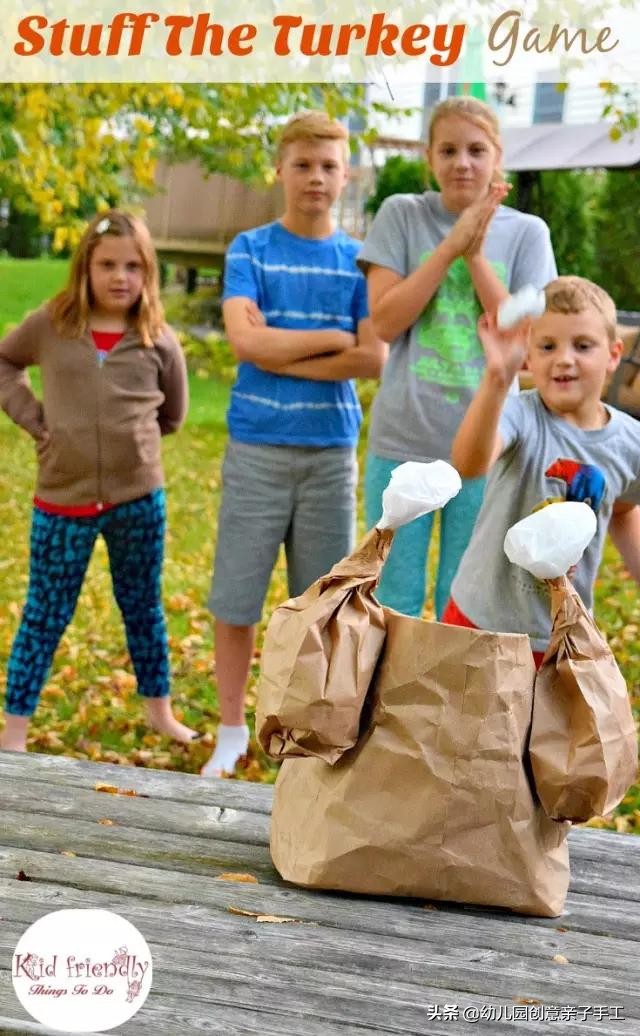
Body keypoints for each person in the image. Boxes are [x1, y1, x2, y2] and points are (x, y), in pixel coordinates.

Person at [203, 110, 386, 777]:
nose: (315, 177)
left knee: (324, 605)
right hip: (256, 447)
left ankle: (311, 733)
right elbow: (245, 343)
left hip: (329, 453)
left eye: (329, 166)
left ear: (346, 177)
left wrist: (283, 349)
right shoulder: (249, 249)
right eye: (303, 164)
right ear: (279, 169)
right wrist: (333, 339)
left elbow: (375, 359)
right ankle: (230, 729)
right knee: (237, 597)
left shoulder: (359, 263)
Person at [0, 210, 196, 752]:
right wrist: (37, 421)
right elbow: (5, 362)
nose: (120, 277)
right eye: (107, 264)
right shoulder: (50, 324)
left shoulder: (159, 340)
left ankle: (161, 711)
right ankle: (14, 730)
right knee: (44, 612)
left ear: (148, 273)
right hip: (62, 500)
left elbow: (173, 417)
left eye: (133, 267)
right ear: (85, 266)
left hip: (138, 502)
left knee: (143, 608)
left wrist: (134, 446)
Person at [358, 96, 557, 620]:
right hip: (402, 441)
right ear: (429, 157)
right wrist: (448, 247)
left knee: (464, 602)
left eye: (476, 150)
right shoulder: (402, 214)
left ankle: (448, 707)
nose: (461, 162)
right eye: (447, 150)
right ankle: (385, 704)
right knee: (389, 600)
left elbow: (529, 338)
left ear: (497, 158)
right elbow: (385, 322)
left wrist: (474, 256)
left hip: (489, 446)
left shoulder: (526, 232)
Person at [446, 275, 640, 665]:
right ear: (530, 357)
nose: (564, 358)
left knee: (542, 729)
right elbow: (469, 464)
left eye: (582, 346)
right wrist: (497, 379)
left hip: (558, 638)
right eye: (547, 346)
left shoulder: (631, 442)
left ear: (614, 354)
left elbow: (623, 508)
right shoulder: (520, 414)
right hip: (477, 625)